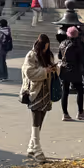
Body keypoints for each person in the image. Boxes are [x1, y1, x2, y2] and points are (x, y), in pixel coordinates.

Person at [21, 33, 59, 161]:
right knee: (36, 116)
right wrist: (44, 71)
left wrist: (54, 69)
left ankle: (31, 146)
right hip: (35, 91)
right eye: (44, 47)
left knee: (41, 116)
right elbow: (29, 72)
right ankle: (37, 148)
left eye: (47, 47)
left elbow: (54, 67)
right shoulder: (31, 55)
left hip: (46, 90)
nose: (46, 50)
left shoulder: (48, 55)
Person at [58, 26, 84, 121]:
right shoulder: (77, 45)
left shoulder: (62, 44)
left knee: (65, 91)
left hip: (64, 69)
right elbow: (82, 59)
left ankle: (65, 114)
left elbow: (59, 56)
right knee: (80, 90)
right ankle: (80, 112)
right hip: (75, 70)